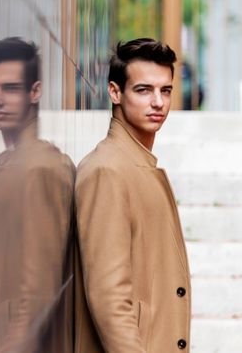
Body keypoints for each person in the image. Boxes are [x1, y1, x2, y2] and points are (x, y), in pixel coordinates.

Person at [0, 37, 76, 353]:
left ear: (34, 92)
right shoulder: (12, 166)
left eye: (10, 88)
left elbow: (38, 289)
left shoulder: (40, 169)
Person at [74, 38, 191, 352]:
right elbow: (108, 295)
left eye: (165, 90)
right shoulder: (107, 170)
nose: (158, 102)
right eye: (143, 90)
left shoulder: (134, 165)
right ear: (115, 92)